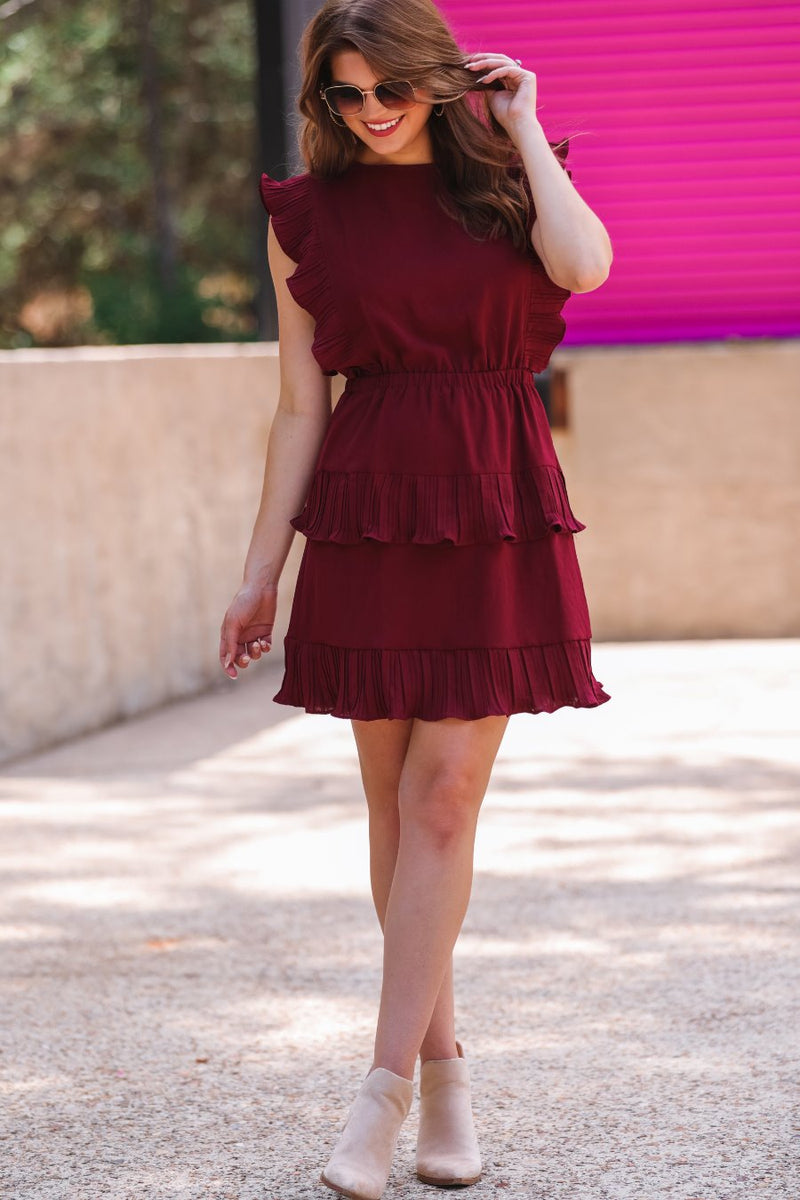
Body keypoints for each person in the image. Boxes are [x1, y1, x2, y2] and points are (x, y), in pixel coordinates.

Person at [219, 1, 612, 1196]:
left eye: (385, 86)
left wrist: (525, 122)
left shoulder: (508, 183)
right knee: (393, 803)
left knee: (443, 800)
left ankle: (376, 1098)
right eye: (342, 95)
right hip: (368, 515)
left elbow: (584, 268)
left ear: (439, 80)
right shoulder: (308, 218)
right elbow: (301, 405)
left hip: (494, 505)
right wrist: (257, 571)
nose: (369, 111)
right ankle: (443, 1073)